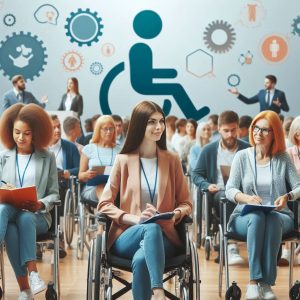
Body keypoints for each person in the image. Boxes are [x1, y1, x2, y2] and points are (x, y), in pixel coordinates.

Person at [98, 101, 192, 300]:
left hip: (165, 236)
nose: (159, 127)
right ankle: (158, 292)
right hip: (127, 234)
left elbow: (186, 203)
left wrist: (175, 214)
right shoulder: (122, 160)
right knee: (150, 227)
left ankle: (155, 293)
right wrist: (135, 219)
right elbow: (104, 204)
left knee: (142, 259)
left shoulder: (172, 160)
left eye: (161, 121)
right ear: (140, 125)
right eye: (152, 122)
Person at [225, 110, 300, 300]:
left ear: (275, 133)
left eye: (265, 130)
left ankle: (266, 284)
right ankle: (253, 281)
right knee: (257, 217)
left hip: (279, 215)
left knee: (272, 218)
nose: (258, 133)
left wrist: (287, 196)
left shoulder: (283, 158)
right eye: (256, 128)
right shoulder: (242, 156)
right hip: (244, 215)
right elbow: (229, 189)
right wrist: (245, 198)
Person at [0, 103, 59, 300]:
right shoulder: (4, 157)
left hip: (38, 216)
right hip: (10, 211)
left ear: (36, 133)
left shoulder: (47, 157)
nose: (21, 138)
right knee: (4, 213)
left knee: (24, 218)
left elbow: (54, 194)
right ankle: (28, 285)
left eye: (27, 133)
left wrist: (41, 203)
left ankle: (29, 280)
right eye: (17, 132)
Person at [192, 110, 249, 265]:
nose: (230, 134)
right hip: (218, 193)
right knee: (225, 196)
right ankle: (231, 245)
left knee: (232, 196)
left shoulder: (248, 149)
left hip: (243, 195)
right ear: (219, 129)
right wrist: (206, 185)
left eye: (233, 130)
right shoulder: (209, 150)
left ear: (238, 128)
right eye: (226, 131)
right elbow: (196, 174)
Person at [48, 114, 80, 258]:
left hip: (62, 183)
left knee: (57, 194)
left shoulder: (70, 147)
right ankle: (39, 238)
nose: (57, 130)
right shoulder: (40, 147)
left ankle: (57, 235)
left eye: (58, 126)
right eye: (53, 127)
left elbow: (80, 169)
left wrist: (67, 172)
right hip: (44, 184)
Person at [79, 116, 121, 203]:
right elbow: (80, 176)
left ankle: (103, 212)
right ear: (99, 130)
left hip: (114, 188)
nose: (109, 132)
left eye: (111, 129)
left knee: (106, 188)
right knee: (101, 187)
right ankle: (106, 210)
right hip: (93, 189)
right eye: (105, 129)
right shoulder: (88, 149)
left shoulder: (120, 150)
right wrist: (87, 174)